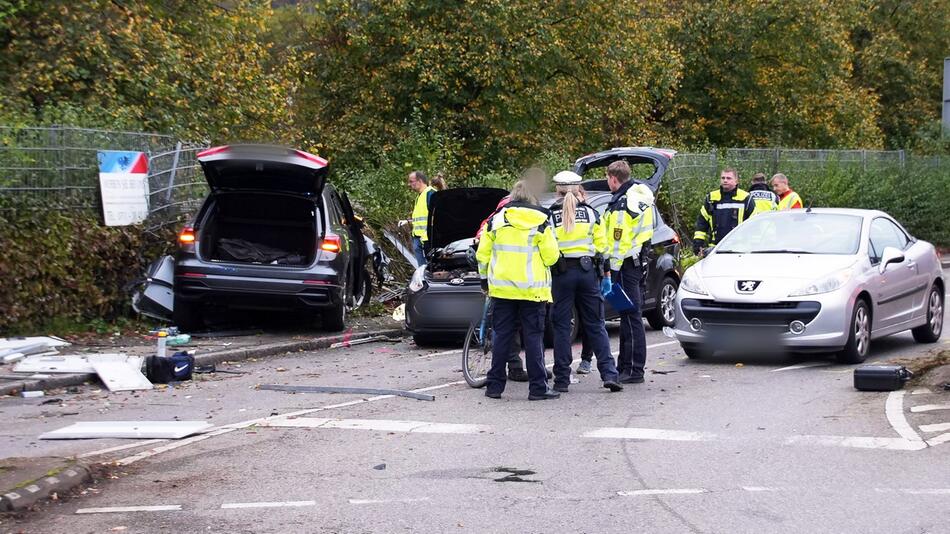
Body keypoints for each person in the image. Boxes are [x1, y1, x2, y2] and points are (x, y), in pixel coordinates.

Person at [477, 180, 560, 400]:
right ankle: (538, 389)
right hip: (532, 292)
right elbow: (552, 256)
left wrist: (485, 280)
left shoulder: (495, 221)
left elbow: (482, 255)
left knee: (502, 337)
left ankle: (494, 387)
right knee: (533, 339)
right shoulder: (542, 221)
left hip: (503, 290)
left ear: (512, 197)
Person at [548, 171, 623, 393]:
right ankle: (610, 374)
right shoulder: (592, 214)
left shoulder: (550, 216)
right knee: (596, 324)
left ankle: (561, 379)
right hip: (588, 273)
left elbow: (547, 249)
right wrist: (606, 274)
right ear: (578, 189)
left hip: (561, 275)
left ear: (558, 191)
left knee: (562, 327)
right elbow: (603, 247)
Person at [604, 161, 655, 384]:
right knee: (628, 316)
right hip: (636, 261)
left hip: (624, 265)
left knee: (631, 316)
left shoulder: (623, 205)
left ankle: (633, 369)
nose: (608, 182)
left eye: (607, 178)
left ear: (614, 178)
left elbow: (618, 242)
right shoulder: (639, 196)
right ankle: (626, 366)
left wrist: (610, 272)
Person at [693, 168, 756, 255]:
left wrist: (754, 245)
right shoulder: (711, 197)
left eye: (728, 178)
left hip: (739, 249)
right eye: (723, 178)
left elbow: (754, 224)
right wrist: (698, 242)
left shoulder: (745, 198)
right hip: (715, 248)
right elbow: (702, 222)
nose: (725, 180)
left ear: (736, 181)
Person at [406, 171, 435, 266]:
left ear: (420, 181)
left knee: (431, 267)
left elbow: (437, 216)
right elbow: (422, 218)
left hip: (428, 239)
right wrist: (408, 222)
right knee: (423, 269)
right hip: (418, 237)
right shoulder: (419, 196)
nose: (409, 184)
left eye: (411, 181)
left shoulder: (430, 194)